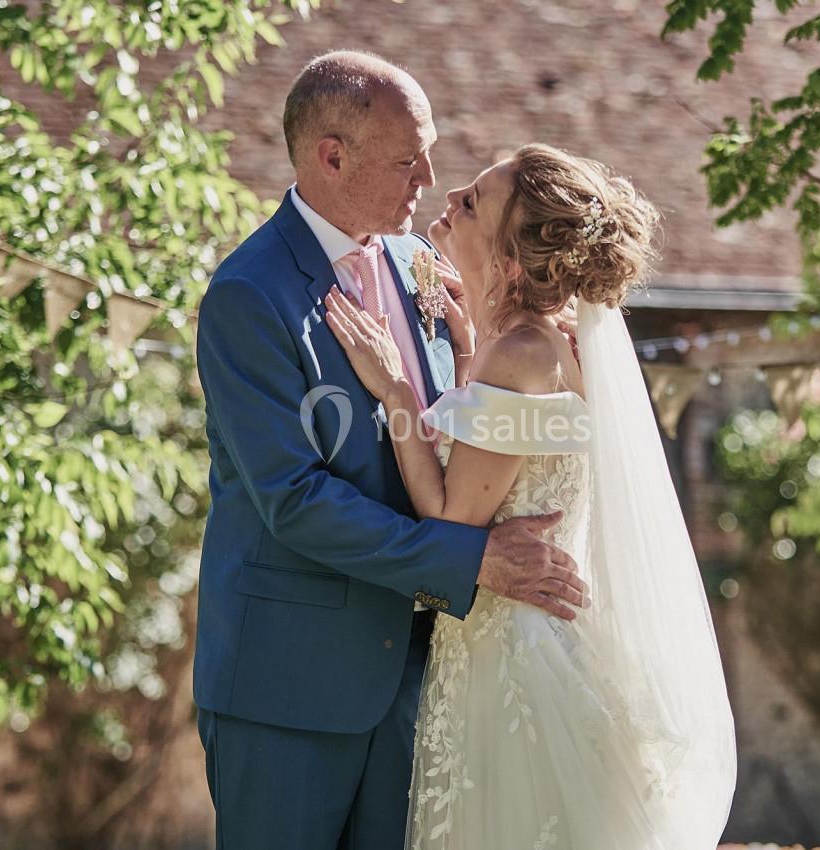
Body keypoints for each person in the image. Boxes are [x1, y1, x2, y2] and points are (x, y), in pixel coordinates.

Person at [192, 53, 588, 850]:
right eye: (410, 159)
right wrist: (467, 558)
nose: (431, 177)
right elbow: (294, 499)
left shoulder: (424, 265)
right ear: (332, 156)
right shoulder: (248, 295)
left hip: (427, 679)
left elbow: (458, 433)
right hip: (288, 688)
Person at [326, 143, 737, 849]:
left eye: (474, 201)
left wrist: (395, 387)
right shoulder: (542, 346)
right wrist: (462, 348)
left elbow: (453, 519)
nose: (450, 198)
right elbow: (497, 455)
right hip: (527, 641)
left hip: (513, 662)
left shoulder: (518, 353)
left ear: (512, 259)